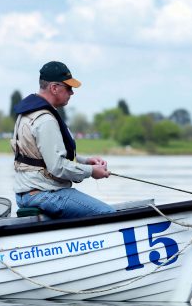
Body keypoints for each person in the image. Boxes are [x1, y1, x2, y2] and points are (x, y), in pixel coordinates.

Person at [12, 61, 115, 219]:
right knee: (108, 214)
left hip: (27, 194)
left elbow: (46, 154)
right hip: (44, 194)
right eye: (68, 88)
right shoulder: (45, 120)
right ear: (54, 88)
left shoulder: (27, 113)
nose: (72, 93)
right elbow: (57, 166)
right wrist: (92, 171)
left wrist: (86, 161)